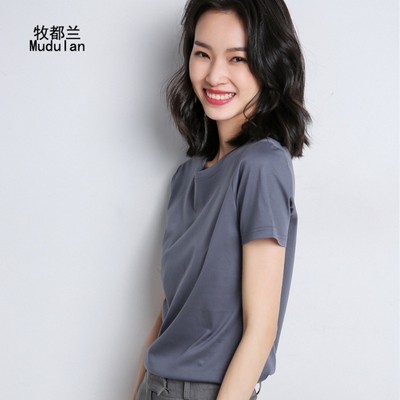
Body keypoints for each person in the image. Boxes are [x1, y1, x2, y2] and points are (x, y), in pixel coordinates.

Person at [132, 0, 310, 399]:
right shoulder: (186, 176)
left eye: (237, 58)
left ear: (269, 63)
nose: (214, 75)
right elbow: (168, 310)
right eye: (202, 54)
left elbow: (260, 329)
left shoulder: (262, 165)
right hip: (153, 385)